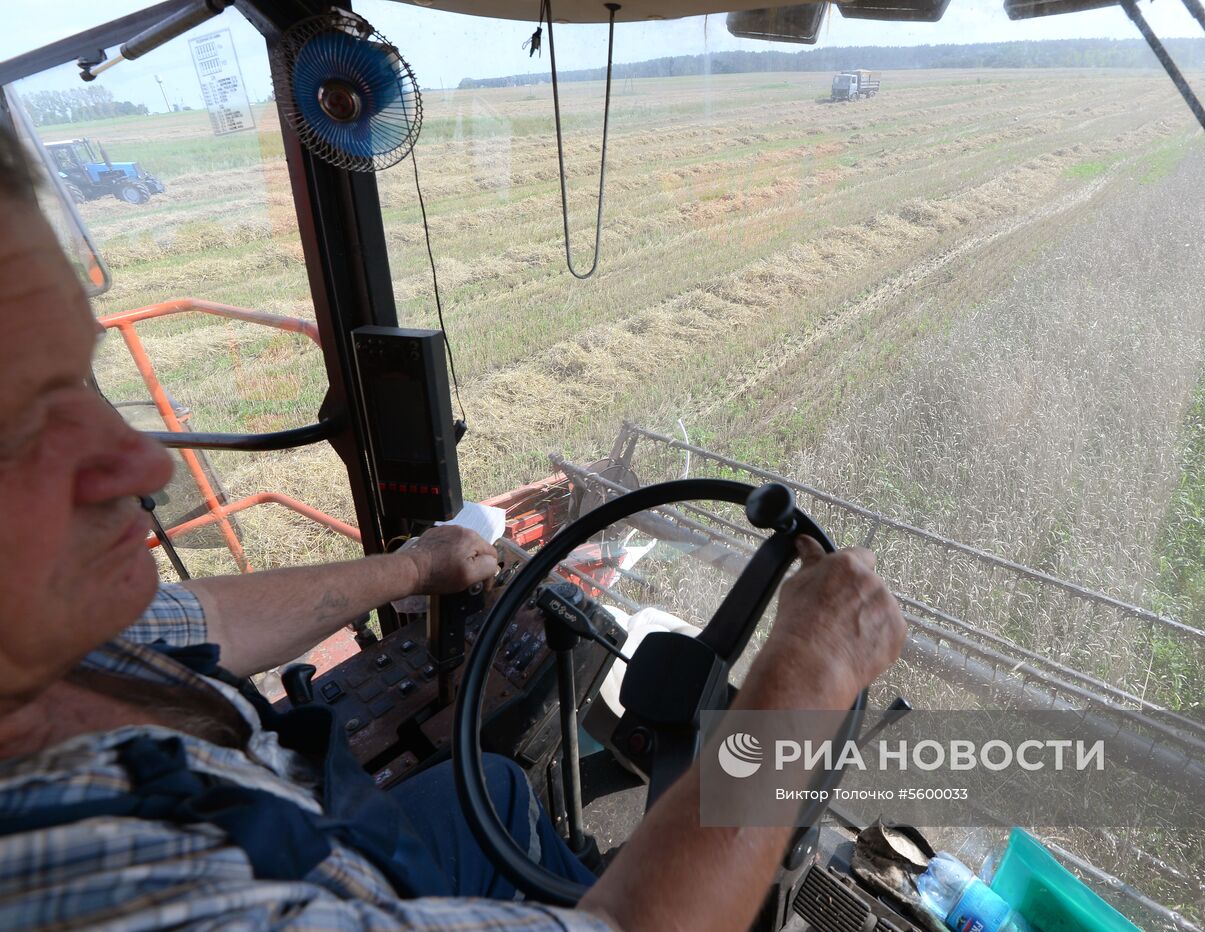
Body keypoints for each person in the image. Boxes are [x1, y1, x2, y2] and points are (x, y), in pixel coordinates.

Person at [0, 124, 907, 930]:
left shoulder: (51, 638)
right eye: (19, 434)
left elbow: (198, 623)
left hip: (297, 808)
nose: (148, 465)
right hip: (312, 859)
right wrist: (810, 671)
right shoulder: (111, 889)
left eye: (80, 386)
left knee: (504, 792)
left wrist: (412, 567)